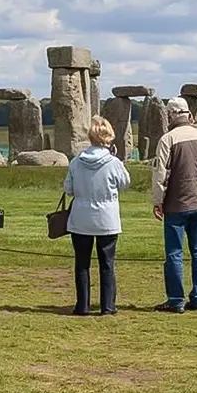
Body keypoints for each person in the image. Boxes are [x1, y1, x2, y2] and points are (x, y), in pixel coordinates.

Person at [63, 116, 131, 316]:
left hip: (81, 217)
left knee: (82, 263)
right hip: (106, 218)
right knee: (107, 264)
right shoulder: (113, 163)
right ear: (109, 138)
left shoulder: (76, 161)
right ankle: (108, 306)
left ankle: (82, 305)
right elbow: (125, 182)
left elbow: (68, 188)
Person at [151, 97, 197, 314]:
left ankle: (176, 300)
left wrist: (158, 201)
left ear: (171, 115)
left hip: (177, 203)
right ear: (188, 114)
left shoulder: (168, 139)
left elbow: (160, 174)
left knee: (175, 253)